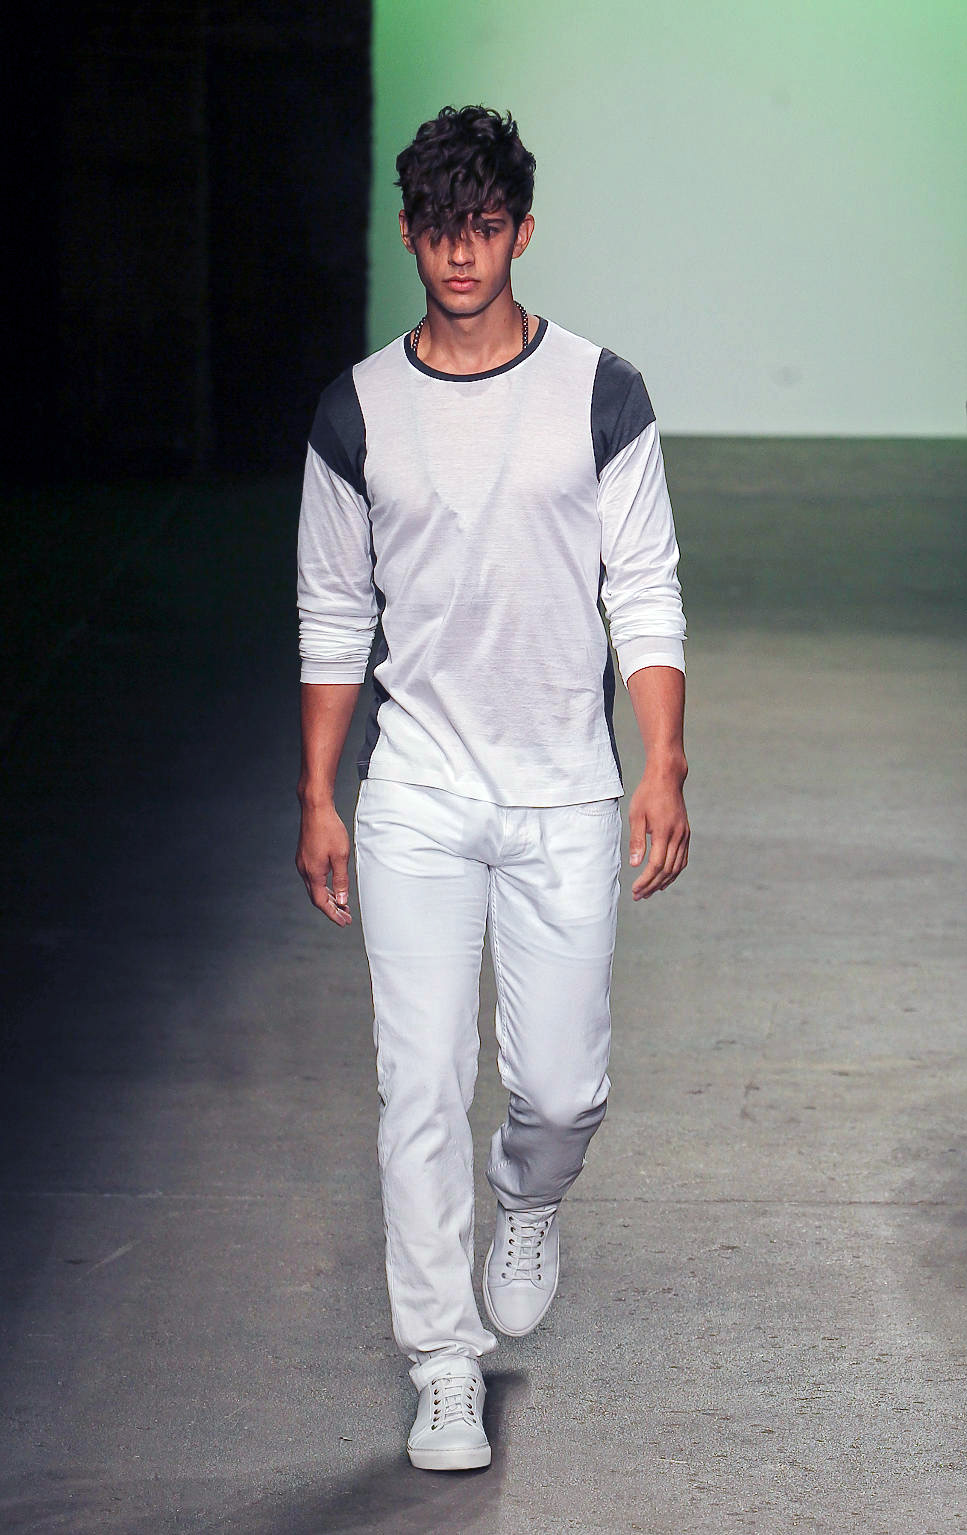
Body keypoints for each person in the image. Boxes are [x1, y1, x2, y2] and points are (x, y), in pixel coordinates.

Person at [295, 105, 689, 1472]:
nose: (462, 253)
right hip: (415, 791)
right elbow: (333, 612)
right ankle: (443, 1363)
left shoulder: (601, 393)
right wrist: (319, 793)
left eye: (485, 227)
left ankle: (529, 1195)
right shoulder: (356, 411)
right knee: (417, 1087)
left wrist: (663, 763)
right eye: (439, 229)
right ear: (409, 237)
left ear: (522, 231)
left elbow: (645, 591)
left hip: (565, 789)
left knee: (563, 1091)